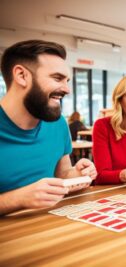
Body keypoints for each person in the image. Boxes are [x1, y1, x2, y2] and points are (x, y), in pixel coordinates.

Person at [0, 40, 97, 215]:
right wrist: (19, 198)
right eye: (57, 78)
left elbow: (63, 174)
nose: (67, 90)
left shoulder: (58, 123)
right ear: (22, 76)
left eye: (67, 80)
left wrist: (76, 174)